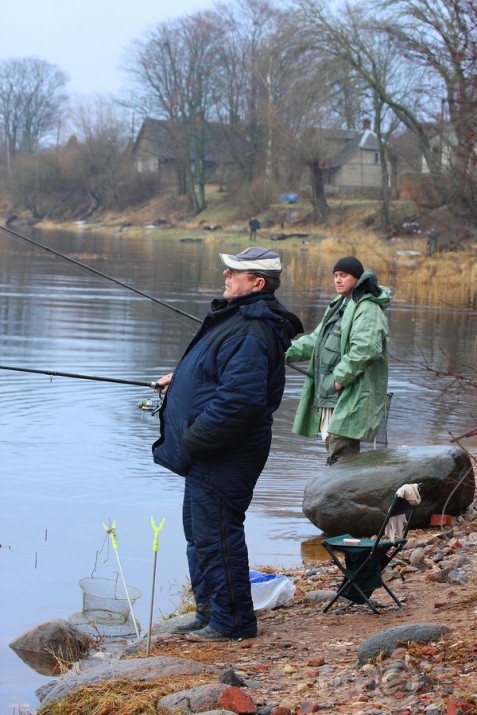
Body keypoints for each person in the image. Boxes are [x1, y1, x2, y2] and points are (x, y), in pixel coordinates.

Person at [152, 246, 303, 641]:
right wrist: (181, 378)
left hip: (223, 453)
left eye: (235, 271)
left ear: (257, 283)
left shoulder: (253, 329)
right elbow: (218, 371)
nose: (226, 274)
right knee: (200, 534)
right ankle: (209, 611)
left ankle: (232, 622)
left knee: (217, 535)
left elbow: (242, 400)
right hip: (209, 452)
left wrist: (195, 440)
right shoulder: (238, 318)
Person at [285, 256, 391, 465]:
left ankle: (344, 495)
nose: (337, 280)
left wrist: (339, 379)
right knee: (334, 447)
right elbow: (316, 341)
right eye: (335, 275)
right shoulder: (339, 305)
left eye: (343, 275)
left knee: (342, 452)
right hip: (331, 393)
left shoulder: (367, 308)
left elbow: (366, 349)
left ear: (357, 279)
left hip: (348, 393)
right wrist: (282, 351)